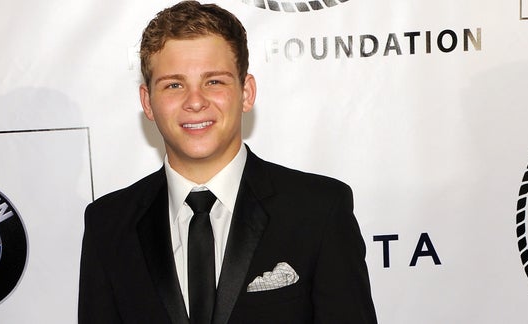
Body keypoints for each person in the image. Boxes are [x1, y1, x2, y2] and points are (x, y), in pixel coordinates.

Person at [78, 1, 377, 323]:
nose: (195, 101)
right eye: (174, 85)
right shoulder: (107, 225)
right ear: (147, 102)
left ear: (246, 93)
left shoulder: (318, 210)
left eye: (214, 82)